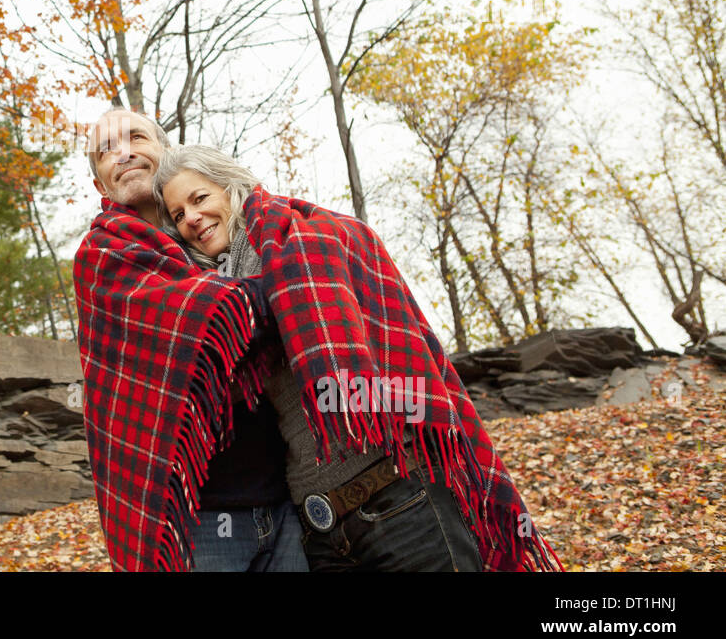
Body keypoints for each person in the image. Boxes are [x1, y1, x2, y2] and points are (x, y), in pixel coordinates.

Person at [151, 143, 563, 571]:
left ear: (232, 189)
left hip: (402, 494)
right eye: (179, 215)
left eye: (199, 198)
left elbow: (398, 352)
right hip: (320, 527)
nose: (192, 218)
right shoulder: (213, 296)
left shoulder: (307, 237)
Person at [74, 108, 307, 572]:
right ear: (101, 186)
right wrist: (282, 286)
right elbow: (209, 312)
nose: (123, 153)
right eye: (106, 150)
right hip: (197, 521)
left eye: (136, 137)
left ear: (164, 152)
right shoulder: (104, 255)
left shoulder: (223, 231)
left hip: (286, 501)